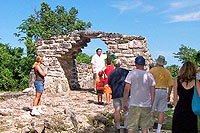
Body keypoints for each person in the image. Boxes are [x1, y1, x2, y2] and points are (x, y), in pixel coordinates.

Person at [123, 56, 156, 133]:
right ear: (144, 64)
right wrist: (151, 102)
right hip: (146, 104)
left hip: (134, 103)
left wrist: (125, 101)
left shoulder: (131, 73)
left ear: (135, 64)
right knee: (144, 128)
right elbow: (152, 91)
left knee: (131, 127)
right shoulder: (149, 75)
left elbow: (126, 88)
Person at [172, 61, 200, 132]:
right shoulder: (196, 82)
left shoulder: (177, 81)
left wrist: (176, 108)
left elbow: (175, 98)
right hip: (191, 112)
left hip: (179, 110)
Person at [149, 55, 173, 133]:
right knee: (161, 111)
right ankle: (158, 129)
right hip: (163, 91)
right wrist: (169, 94)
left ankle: (151, 126)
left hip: (154, 90)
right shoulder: (167, 72)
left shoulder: (152, 70)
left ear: (157, 62)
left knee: (151, 109)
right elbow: (171, 84)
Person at [108, 59, 129, 132]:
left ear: (114, 64)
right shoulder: (125, 72)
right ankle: (126, 127)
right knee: (126, 110)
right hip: (124, 93)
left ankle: (118, 127)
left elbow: (109, 83)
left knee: (117, 110)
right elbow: (129, 83)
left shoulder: (111, 73)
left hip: (115, 93)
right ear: (121, 64)